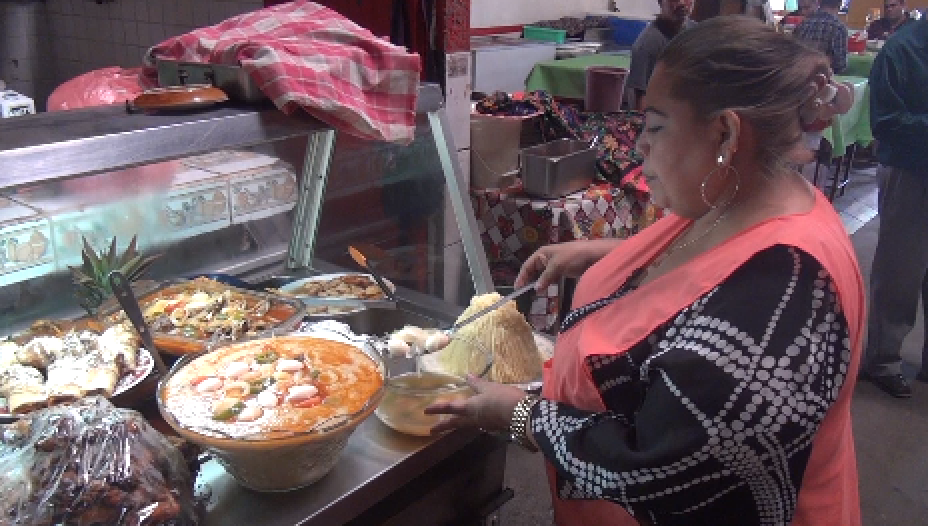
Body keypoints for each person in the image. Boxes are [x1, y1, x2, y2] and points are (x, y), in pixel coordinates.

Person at [426, 16, 865, 526]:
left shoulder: (786, 290)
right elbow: (706, 269)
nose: (639, 147)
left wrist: (520, 415)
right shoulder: (737, 199)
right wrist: (609, 255)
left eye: (655, 127)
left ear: (725, 133)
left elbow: (665, 468)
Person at [859, 15, 928, 398]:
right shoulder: (902, 50)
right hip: (911, 171)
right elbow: (885, 122)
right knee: (901, 270)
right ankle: (882, 360)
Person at [626, 0, 695, 110]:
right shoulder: (647, 45)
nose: (681, 3)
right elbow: (640, 103)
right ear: (661, 2)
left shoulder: (696, 33)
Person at [794, 0, 848, 74]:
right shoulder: (839, 27)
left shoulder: (802, 24)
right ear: (840, 4)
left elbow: (793, 55)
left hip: (800, 75)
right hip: (823, 77)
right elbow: (840, 66)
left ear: (819, 3)